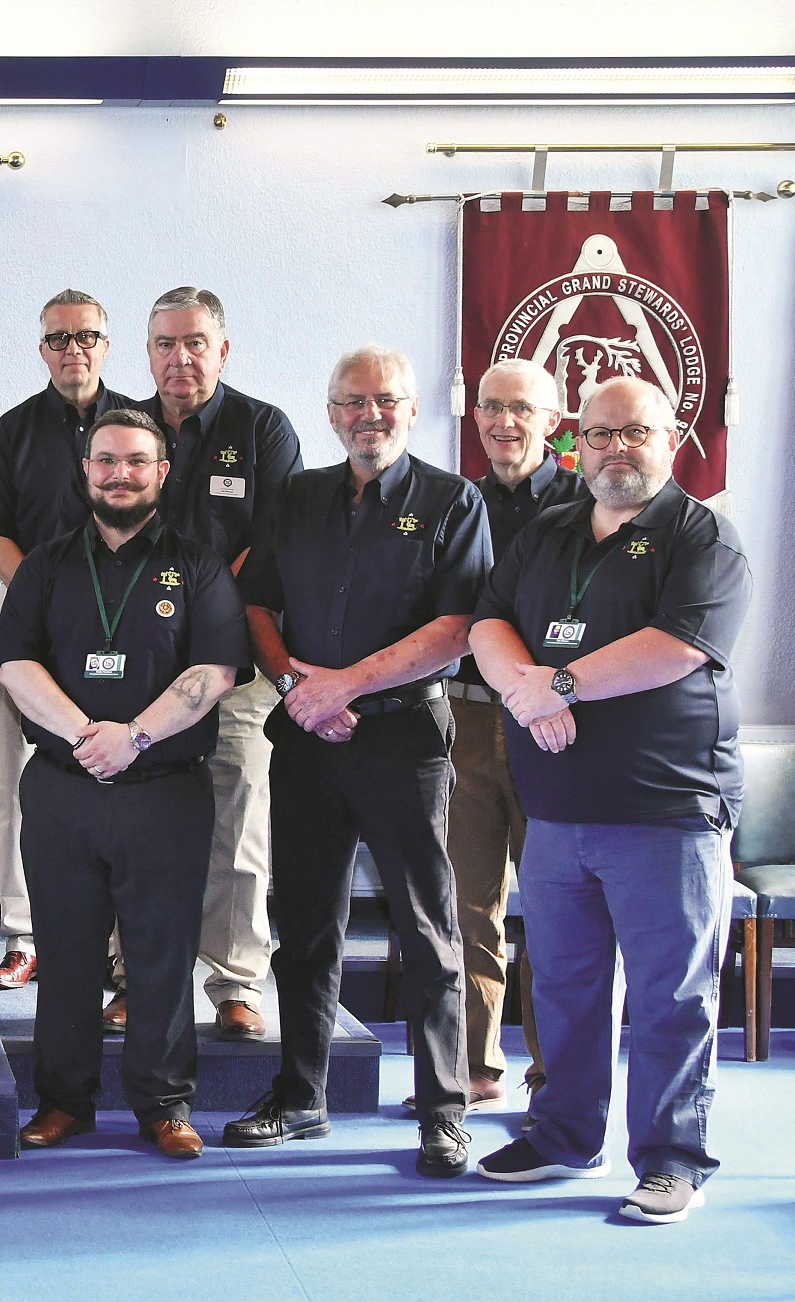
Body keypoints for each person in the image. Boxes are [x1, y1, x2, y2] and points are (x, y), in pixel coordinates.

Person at [471, 376, 750, 1224]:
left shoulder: (703, 537)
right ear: (575, 444)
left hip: (664, 808)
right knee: (565, 985)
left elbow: (676, 647)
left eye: (634, 433)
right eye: (597, 436)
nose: (614, 450)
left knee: (671, 994)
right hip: (557, 810)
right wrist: (522, 688)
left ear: (673, 438)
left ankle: (672, 1158)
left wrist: (555, 686)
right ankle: (563, 1136)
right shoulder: (549, 530)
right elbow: (487, 620)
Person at [226, 345, 490, 1178]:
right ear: (331, 411)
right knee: (304, 923)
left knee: (426, 927)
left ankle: (444, 1112)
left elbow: (455, 629)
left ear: (411, 410)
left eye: (384, 400)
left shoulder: (453, 500)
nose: (367, 415)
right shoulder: (298, 496)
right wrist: (299, 687)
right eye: (351, 402)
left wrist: (344, 684)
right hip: (307, 737)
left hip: (403, 740)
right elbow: (257, 603)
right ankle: (302, 1095)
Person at [0, 408, 250, 1159]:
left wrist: (133, 736)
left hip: (165, 786)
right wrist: (84, 734)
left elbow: (216, 670)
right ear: (86, 469)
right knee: (64, 951)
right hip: (65, 786)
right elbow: (13, 663)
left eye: (137, 461)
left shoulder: (198, 564)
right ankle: (62, 1102)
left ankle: (164, 1106)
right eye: (106, 460)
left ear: (161, 474)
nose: (120, 474)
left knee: (161, 952)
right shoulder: (45, 564)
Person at [127, 286, 302, 1040]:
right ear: (149, 352)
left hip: (232, 663)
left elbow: (272, 543)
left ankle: (235, 982)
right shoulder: (126, 428)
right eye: (166, 344)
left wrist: (200, 603)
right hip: (137, 668)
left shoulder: (263, 429)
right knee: (139, 826)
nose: (180, 357)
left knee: (237, 823)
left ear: (222, 350)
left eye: (195, 342)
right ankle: (135, 977)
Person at [0, 289, 133, 992]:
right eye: (58, 338)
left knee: (123, 779)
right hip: (31, 616)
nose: (73, 349)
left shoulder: (139, 423)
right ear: (42, 350)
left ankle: (122, 953)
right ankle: (24, 938)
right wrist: (48, 592)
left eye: (86, 335)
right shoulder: (13, 430)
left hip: (125, 614)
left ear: (106, 343)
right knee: (21, 786)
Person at [441, 359, 582, 1113]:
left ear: (554, 420)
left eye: (521, 409)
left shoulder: (587, 501)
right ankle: (475, 1065)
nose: (503, 422)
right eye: (491, 407)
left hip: (555, 724)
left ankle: (558, 1070)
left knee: (557, 904)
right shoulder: (454, 501)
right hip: (463, 716)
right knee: (469, 901)